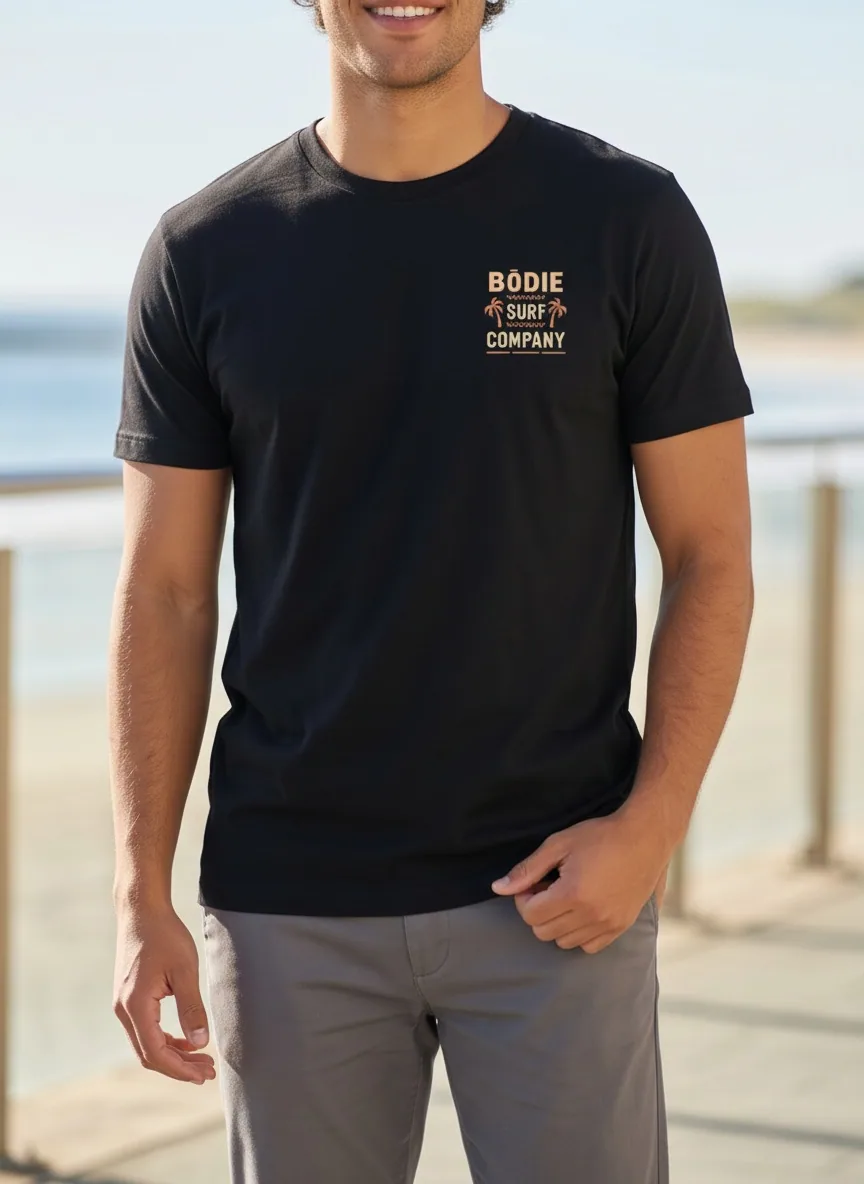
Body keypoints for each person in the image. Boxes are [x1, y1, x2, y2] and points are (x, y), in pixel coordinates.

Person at [109, 2, 754, 1181]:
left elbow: (711, 551)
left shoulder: (625, 218)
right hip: (290, 902)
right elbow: (164, 592)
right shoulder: (204, 249)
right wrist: (137, 886)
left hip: (562, 886)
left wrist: (650, 827)